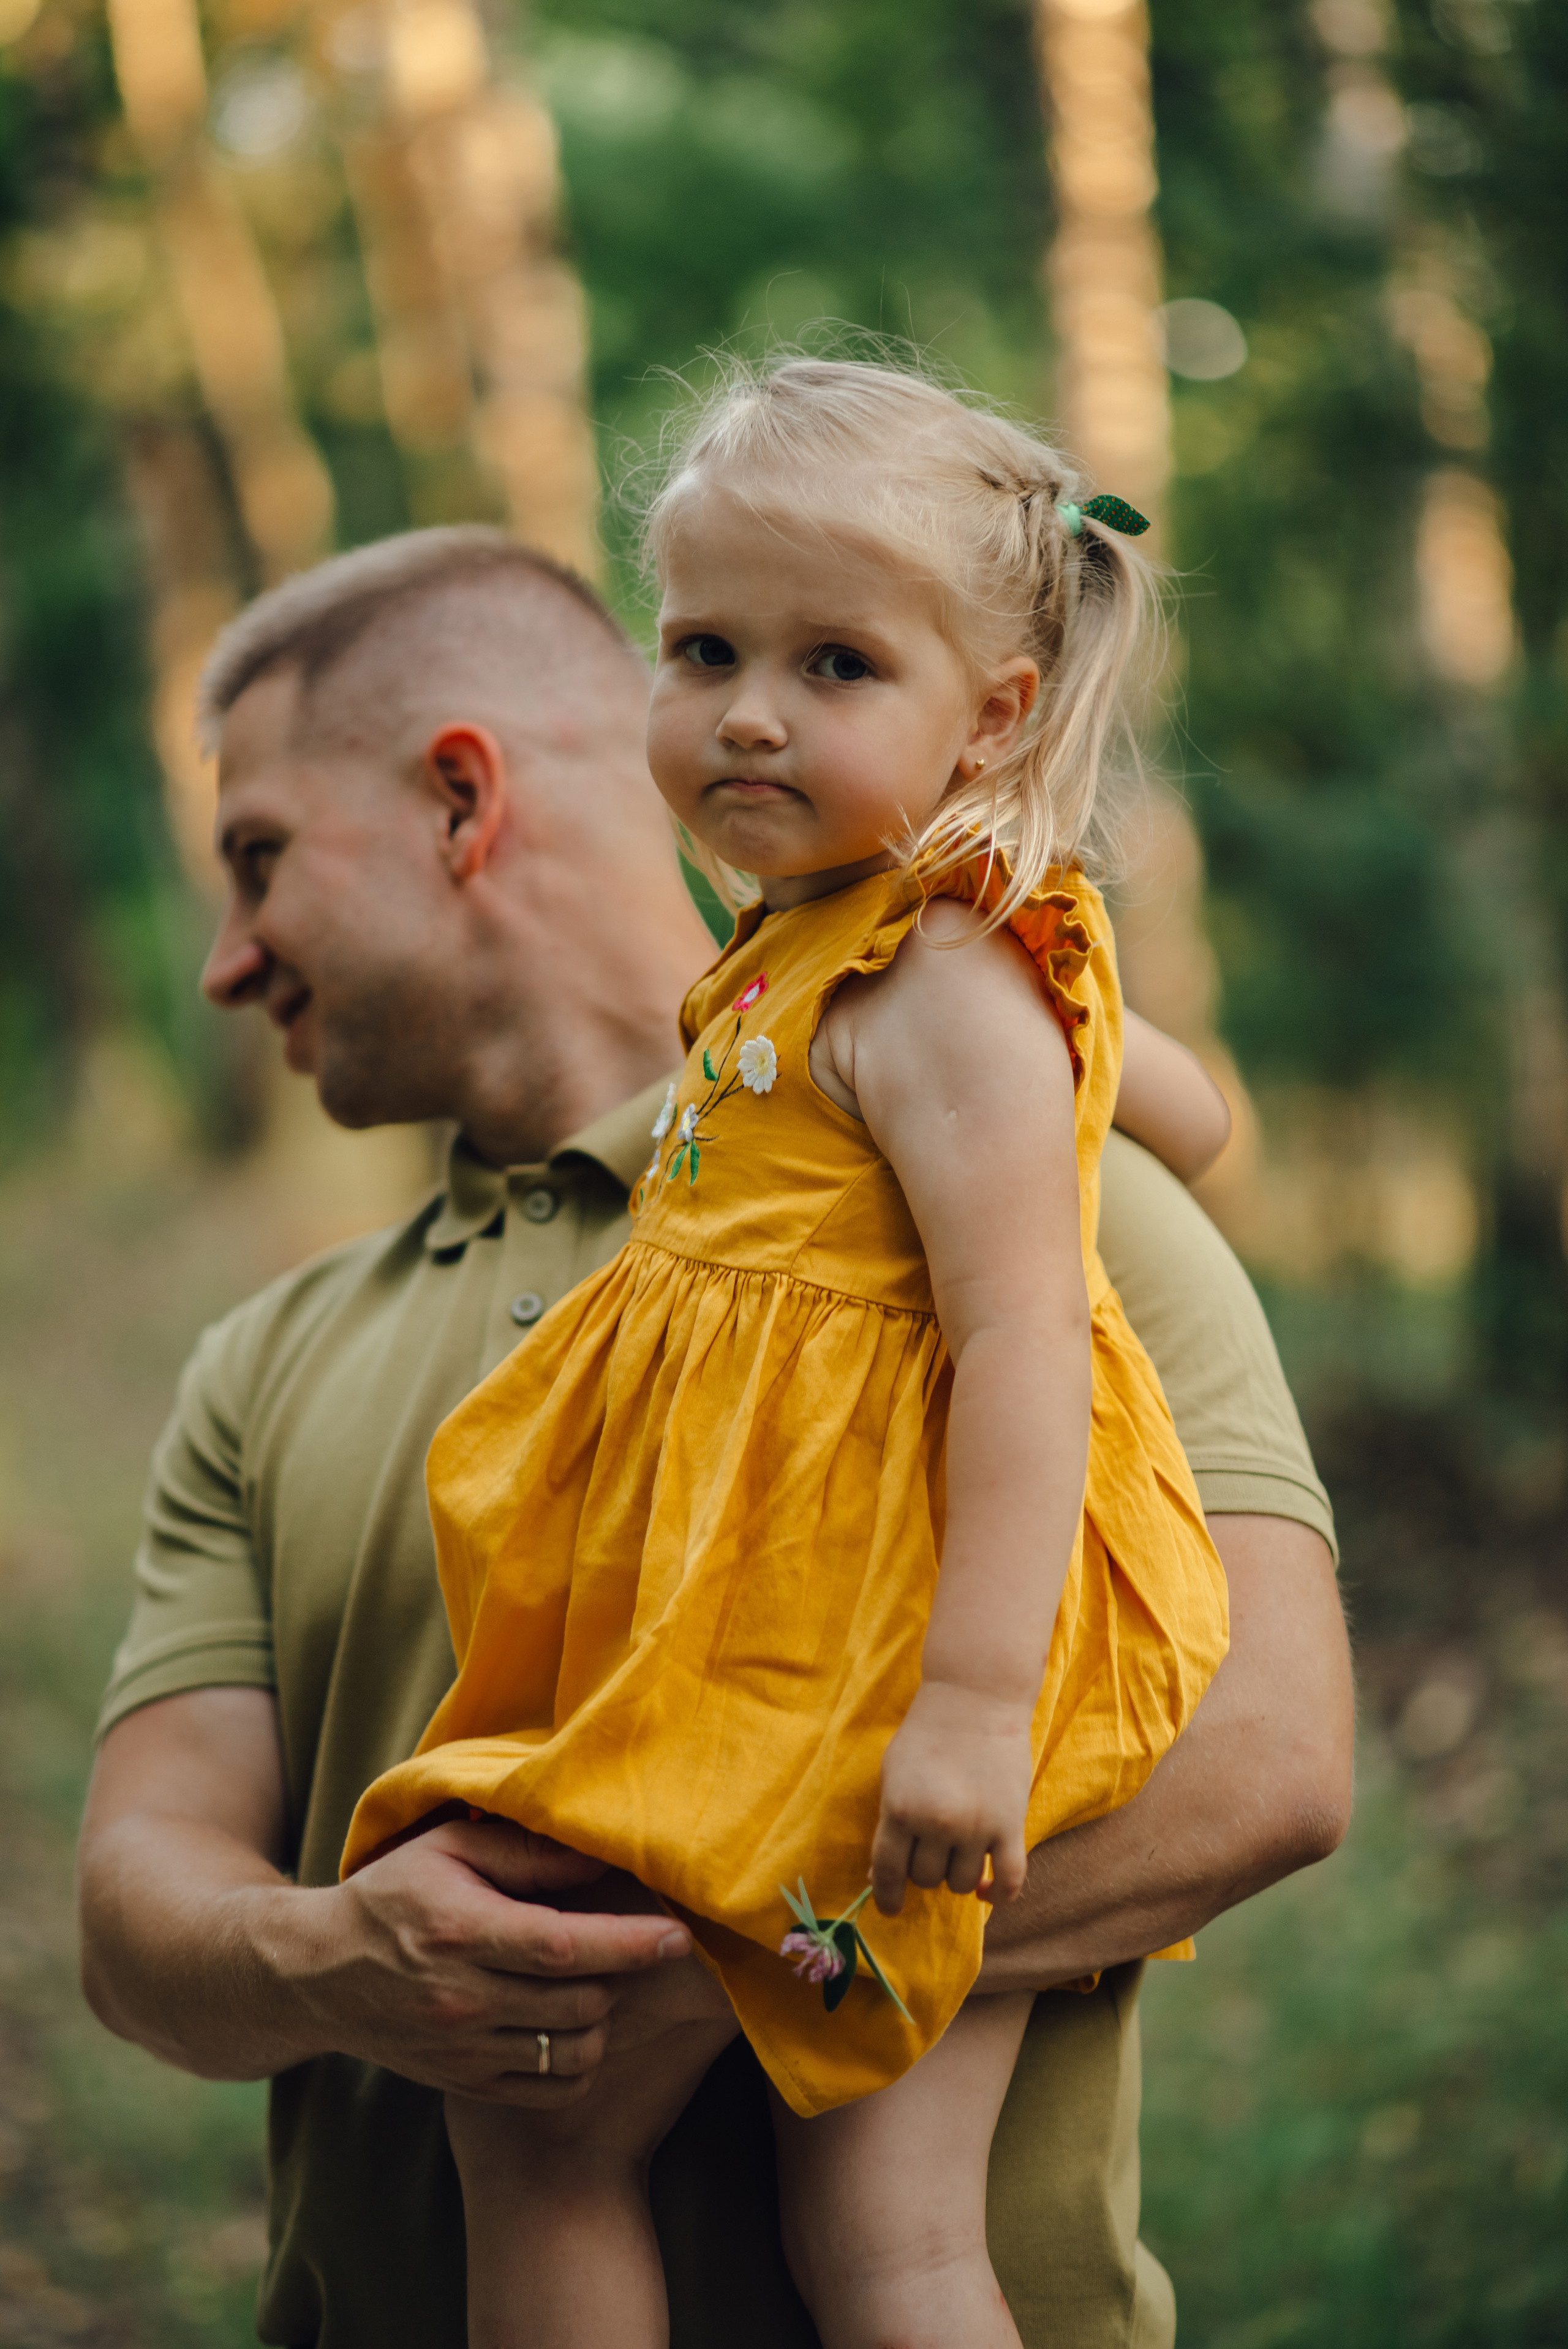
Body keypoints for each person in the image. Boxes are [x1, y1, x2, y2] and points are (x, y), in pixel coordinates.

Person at [77, 520, 1352, 2349]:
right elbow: (135, 1929)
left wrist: (720, 1959)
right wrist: (351, 1963)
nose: (224, 959)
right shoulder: (262, 1357)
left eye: (259, 859)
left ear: (461, 799)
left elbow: (1275, 1767)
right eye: (704, 655)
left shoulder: (1009, 1169)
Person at [339, 360, 1237, 2349]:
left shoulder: (932, 991)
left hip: (870, 1656)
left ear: (995, 713)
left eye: (834, 662)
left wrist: (975, 1709)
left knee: (560, 2131)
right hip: (801, 1616)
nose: (748, 707)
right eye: (703, 647)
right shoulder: (885, 940)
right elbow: (1184, 1102)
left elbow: (1022, 1340)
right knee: (880, 2228)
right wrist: (1141, 1086)